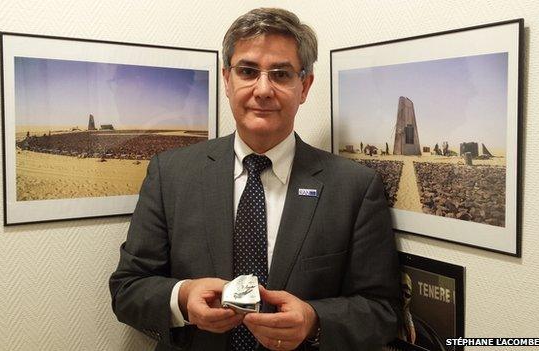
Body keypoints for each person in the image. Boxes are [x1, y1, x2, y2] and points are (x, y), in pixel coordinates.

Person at [110, 7, 400, 351]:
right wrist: (183, 297)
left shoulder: (354, 187)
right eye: (248, 71)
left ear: (304, 86)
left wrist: (314, 320)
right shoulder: (170, 174)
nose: (263, 89)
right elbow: (128, 289)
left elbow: (383, 310)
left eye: (280, 74)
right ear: (227, 80)